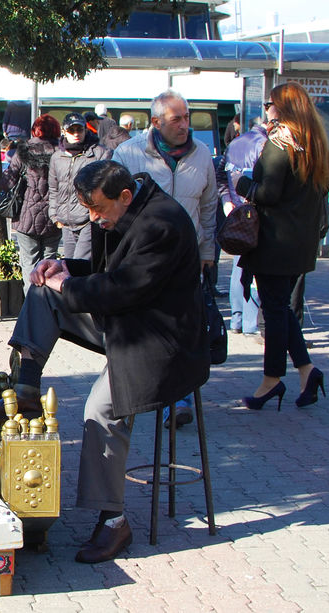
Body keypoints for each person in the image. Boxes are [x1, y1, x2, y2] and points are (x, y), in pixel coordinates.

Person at [8, 160, 209, 563]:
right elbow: (104, 274)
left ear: (125, 196)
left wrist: (68, 283)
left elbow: (122, 288)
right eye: (90, 212)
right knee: (44, 291)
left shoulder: (161, 224)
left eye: (99, 210)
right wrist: (64, 269)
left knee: (99, 411)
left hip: (158, 342)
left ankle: (115, 523)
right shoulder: (120, 215)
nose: (95, 219)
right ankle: (25, 387)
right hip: (126, 322)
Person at [112, 89, 217, 425]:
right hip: (143, 256)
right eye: (177, 119)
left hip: (186, 259)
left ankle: (180, 399)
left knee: (181, 328)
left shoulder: (202, 155)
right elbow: (113, 205)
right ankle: (136, 387)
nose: (185, 125)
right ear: (155, 122)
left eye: (187, 117)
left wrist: (207, 251)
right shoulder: (128, 153)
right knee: (144, 325)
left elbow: (209, 206)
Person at [235, 82, 329, 411]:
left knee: (275, 310)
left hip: (275, 242)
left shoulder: (279, 144)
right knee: (281, 306)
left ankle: (271, 380)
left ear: (280, 108)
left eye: (269, 104)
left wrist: (241, 182)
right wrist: (303, 202)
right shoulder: (313, 142)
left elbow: (267, 194)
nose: (266, 109)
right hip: (301, 243)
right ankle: (308, 372)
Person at [215, 120, 269, 338]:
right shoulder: (265, 145)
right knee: (254, 269)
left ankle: (237, 319)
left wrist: (227, 200)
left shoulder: (235, 143)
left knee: (238, 265)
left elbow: (221, 175)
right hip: (255, 212)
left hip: (235, 211)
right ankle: (250, 322)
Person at [3, 114, 62, 292]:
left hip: (26, 214)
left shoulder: (24, 150)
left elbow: (8, 182)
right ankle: (48, 300)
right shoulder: (61, 152)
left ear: (35, 130)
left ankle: (31, 302)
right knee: (50, 262)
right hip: (54, 215)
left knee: (29, 262)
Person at [49, 112, 112, 262]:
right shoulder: (57, 157)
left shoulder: (100, 154)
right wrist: (54, 215)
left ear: (86, 130)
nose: (76, 134)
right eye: (72, 130)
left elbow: (107, 187)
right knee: (68, 265)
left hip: (89, 221)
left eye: (80, 130)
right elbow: (53, 188)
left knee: (81, 263)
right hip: (66, 222)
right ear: (64, 132)